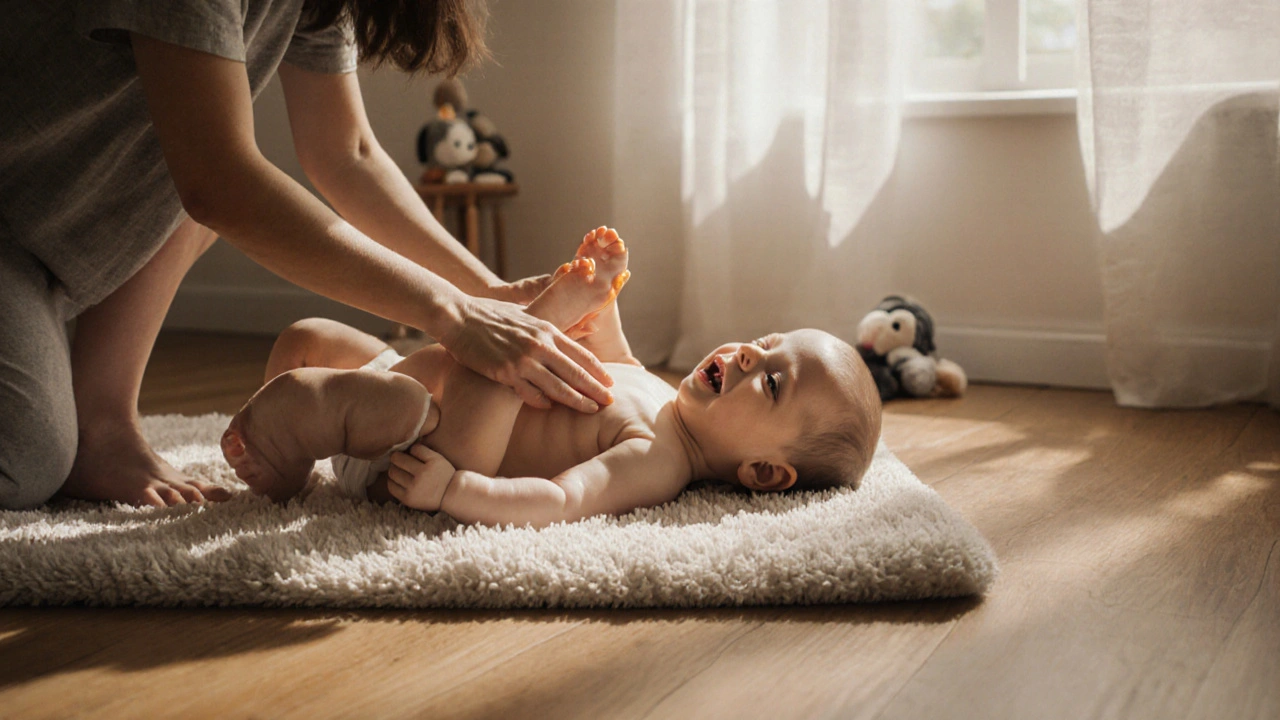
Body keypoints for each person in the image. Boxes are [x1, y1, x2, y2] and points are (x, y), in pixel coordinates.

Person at [0, 0, 613, 511]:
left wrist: (488, 295)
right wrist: (452, 313)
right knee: (25, 462)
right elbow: (218, 181)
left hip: (55, 239)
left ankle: (102, 420)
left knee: (206, 177)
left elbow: (347, 153)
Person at [220, 227, 884, 527]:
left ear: (764, 473)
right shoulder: (658, 392)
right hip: (422, 381)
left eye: (770, 382)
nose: (747, 357)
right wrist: (603, 300)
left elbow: (562, 501)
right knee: (307, 336)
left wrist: (454, 491)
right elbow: (611, 355)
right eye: (764, 345)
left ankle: (307, 424)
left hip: (427, 449)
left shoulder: (659, 460)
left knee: (468, 383)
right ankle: (290, 471)